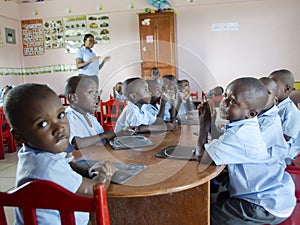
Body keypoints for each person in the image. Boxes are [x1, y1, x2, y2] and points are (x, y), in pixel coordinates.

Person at [3, 83, 116, 225]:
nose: (59, 127)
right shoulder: (50, 167)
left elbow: (65, 165)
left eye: (60, 115)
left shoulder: (30, 154)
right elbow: (95, 190)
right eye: (42, 124)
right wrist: (105, 176)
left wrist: (88, 169)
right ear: (19, 136)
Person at [196, 77, 296, 225]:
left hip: (265, 205)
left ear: (251, 113)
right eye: (226, 98)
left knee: (206, 216)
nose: (224, 104)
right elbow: (223, 142)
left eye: (233, 102)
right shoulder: (246, 125)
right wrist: (211, 122)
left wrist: (203, 127)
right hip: (273, 194)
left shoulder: (242, 135)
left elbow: (202, 157)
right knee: (219, 197)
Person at [64, 76, 133, 150]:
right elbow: (78, 144)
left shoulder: (90, 117)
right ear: (74, 98)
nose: (96, 97)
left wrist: (121, 132)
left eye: (96, 93)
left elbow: (105, 137)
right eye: (90, 92)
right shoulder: (70, 117)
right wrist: (104, 135)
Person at [269, 69, 300, 164]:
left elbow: (286, 138)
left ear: (286, 88)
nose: (269, 90)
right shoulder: (273, 107)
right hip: (273, 148)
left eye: (273, 87)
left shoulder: (292, 112)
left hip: (286, 155)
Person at [258, 77, 289, 168]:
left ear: (275, 100)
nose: (261, 96)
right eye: (258, 91)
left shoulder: (272, 121)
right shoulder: (256, 115)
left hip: (270, 169)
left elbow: (253, 144)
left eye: (267, 93)